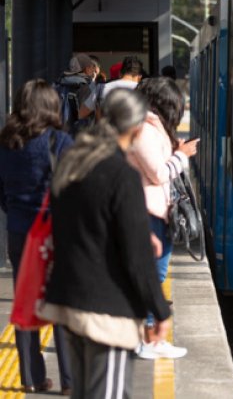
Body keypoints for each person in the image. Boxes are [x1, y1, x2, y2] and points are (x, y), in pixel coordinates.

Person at [39, 89, 172, 399]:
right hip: (107, 310)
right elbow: (137, 256)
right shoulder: (122, 176)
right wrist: (160, 310)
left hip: (70, 301)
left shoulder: (73, 161)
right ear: (137, 128)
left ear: (101, 116)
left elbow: (79, 225)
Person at [0, 79, 73, 394]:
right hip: (56, 232)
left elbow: (1, 192)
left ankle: (30, 378)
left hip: (19, 232)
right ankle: (70, 380)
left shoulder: (6, 143)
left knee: (26, 299)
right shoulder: (60, 142)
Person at [128, 77, 198, 359]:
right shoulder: (143, 129)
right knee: (152, 276)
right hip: (147, 212)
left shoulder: (150, 127)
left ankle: (151, 338)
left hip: (155, 210)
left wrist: (174, 151)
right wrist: (181, 156)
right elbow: (157, 173)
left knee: (154, 275)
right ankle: (148, 339)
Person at [56, 53, 99, 134]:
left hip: (59, 134)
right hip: (78, 137)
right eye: (91, 67)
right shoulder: (85, 87)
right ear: (86, 69)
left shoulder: (59, 84)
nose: (93, 69)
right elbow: (84, 115)